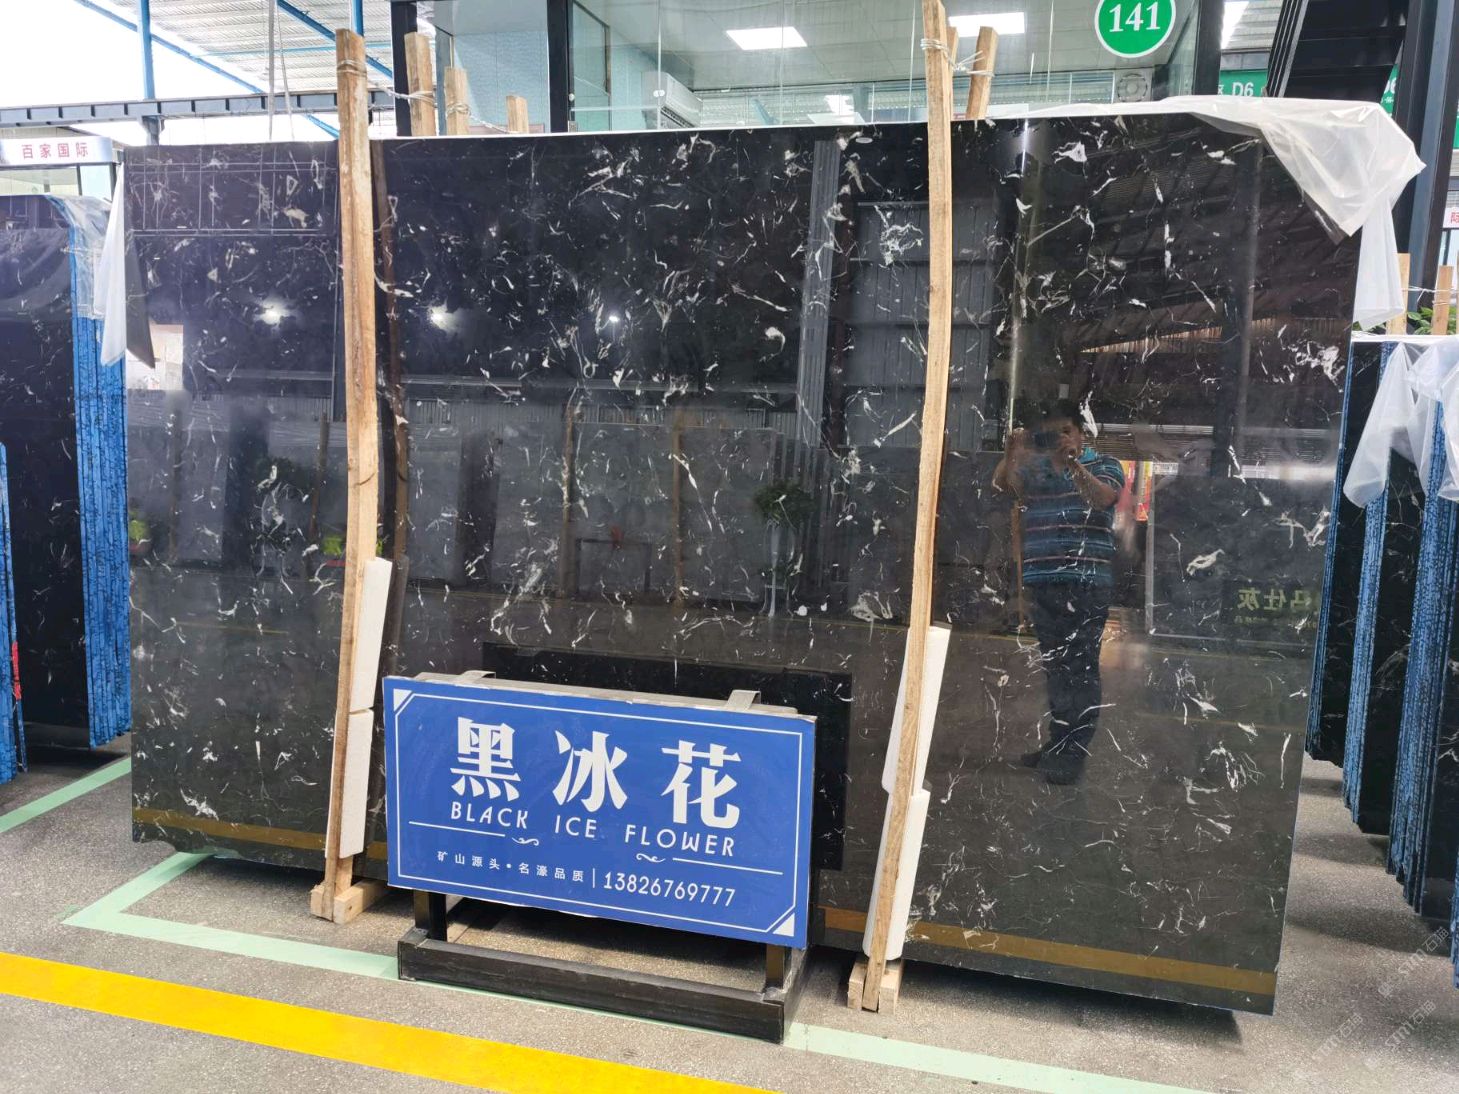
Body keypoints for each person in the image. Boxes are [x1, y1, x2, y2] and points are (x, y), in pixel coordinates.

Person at [993, 399, 1125, 785]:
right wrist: (1012, 452)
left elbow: (1103, 498)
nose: (1059, 439)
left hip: (1085, 585)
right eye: (1051, 434)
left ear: (1081, 434)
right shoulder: (1035, 469)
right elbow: (1004, 485)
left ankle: (1073, 753)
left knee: (1080, 669)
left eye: (1066, 431)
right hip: (1043, 582)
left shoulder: (1105, 464)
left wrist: (1073, 465)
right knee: (1055, 668)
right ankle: (1058, 744)